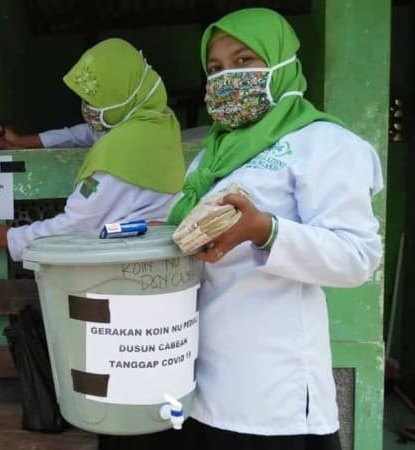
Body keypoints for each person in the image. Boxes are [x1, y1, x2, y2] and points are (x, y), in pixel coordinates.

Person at [166, 8, 383, 450]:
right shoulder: (210, 157)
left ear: (283, 62)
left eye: (244, 61)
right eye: (216, 69)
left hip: (275, 394)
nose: (228, 77)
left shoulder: (322, 143)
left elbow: (358, 257)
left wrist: (264, 230)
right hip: (203, 381)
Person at [0, 38, 186, 263]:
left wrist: (10, 238)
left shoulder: (118, 153)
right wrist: (21, 141)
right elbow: (87, 133)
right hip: (158, 255)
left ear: (123, 94)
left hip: (128, 262)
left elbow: (77, 223)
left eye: (95, 100)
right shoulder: (157, 121)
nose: (87, 108)